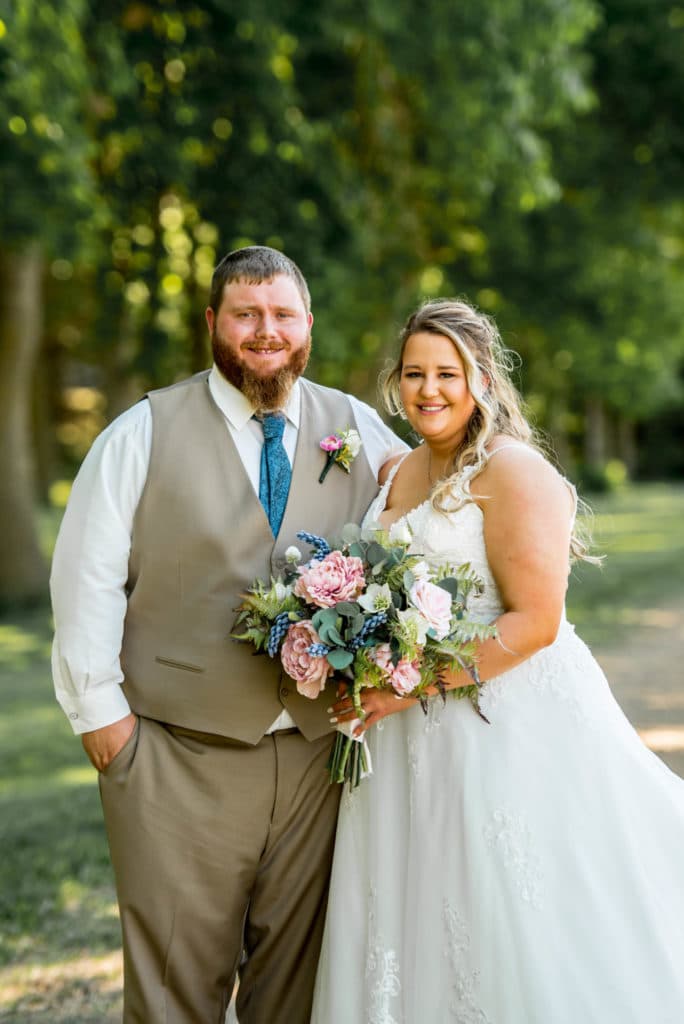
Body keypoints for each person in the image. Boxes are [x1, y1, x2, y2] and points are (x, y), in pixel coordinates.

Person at [50, 245, 406, 1024]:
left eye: (282, 314)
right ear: (214, 322)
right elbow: (86, 580)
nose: (265, 330)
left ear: (308, 325)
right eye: (246, 314)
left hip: (317, 764)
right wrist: (106, 727)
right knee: (175, 993)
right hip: (176, 758)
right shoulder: (143, 431)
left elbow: (427, 531)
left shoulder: (358, 428)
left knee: (297, 998)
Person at [311, 298, 684, 1023]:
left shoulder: (512, 471)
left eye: (446, 373)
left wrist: (408, 686)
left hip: (503, 728)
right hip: (403, 741)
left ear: (481, 378)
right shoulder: (398, 469)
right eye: (414, 373)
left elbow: (536, 622)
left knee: (509, 918)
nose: (428, 390)